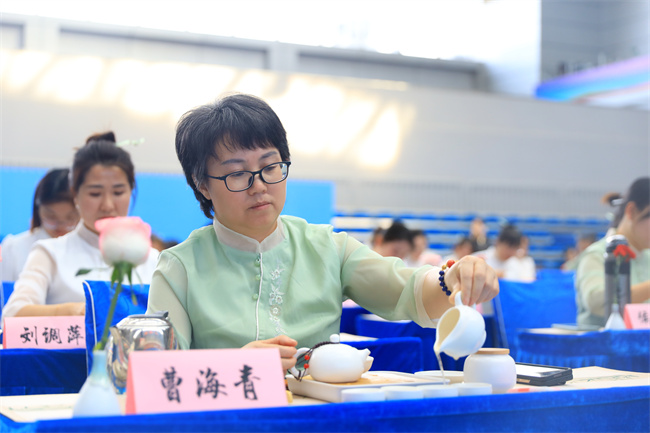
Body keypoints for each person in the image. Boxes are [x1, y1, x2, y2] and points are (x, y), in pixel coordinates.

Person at [146, 93, 499, 371]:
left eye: (270, 166)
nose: (259, 186)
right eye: (237, 173)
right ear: (202, 185)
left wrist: (453, 278)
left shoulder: (328, 248)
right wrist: (236, 366)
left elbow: (407, 290)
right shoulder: (179, 267)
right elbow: (157, 372)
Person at [2, 132, 159, 318]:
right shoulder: (50, 254)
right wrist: (75, 311)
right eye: (95, 194)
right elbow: (13, 313)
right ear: (75, 194)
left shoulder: (153, 260)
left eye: (118, 192)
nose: (107, 205)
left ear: (131, 190)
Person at [576, 177, 650, 327]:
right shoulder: (597, 255)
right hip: (601, 341)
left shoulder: (647, 256)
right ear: (631, 211)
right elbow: (597, 302)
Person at [0, 168, 79, 282]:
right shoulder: (13, 248)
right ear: (38, 209)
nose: (60, 226)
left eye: (70, 218)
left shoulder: (93, 249)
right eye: (51, 217)